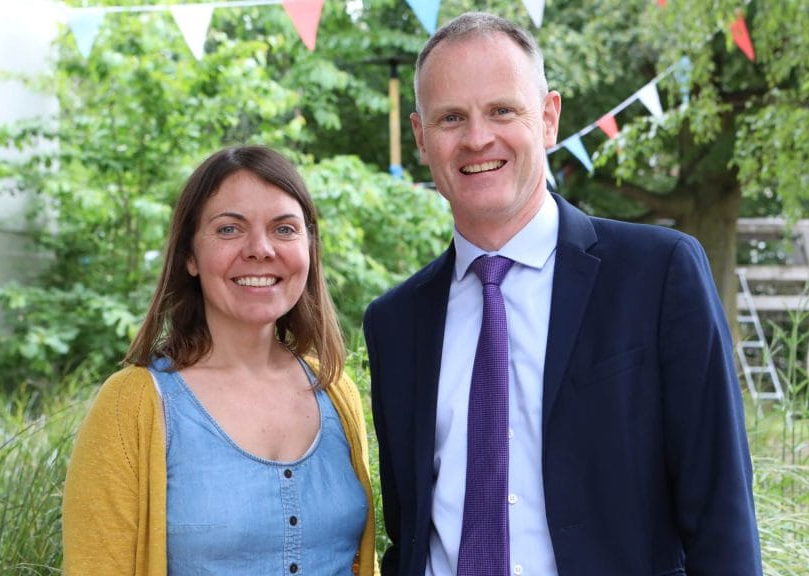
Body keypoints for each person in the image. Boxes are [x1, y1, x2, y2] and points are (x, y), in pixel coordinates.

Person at [363, 12, 762, 576]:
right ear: (422, 138)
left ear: (548, 118)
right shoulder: (395, 323)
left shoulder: (658, 275)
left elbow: (722, 517)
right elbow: (410, 529)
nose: (478, 138)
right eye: (451, 117)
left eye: (502, 110)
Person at [63, 146, 377, 576]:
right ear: (189, 256)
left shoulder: (337, 391)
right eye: (229, 229)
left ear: (309, 248)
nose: (260, 249)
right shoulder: (131, 406)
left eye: (284, 229)